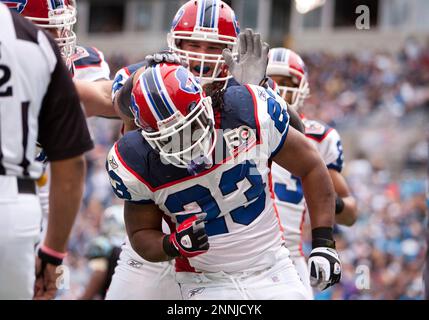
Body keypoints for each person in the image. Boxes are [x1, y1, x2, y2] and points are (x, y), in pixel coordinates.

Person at [106, 62, 341, 299]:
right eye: (169, 138)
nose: (184, 142)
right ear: (146, 135)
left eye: (190, 128)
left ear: (204, 103)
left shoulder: (246, 110)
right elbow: (141, 232)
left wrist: (323, 243)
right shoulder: (137, 158)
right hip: (204, 281)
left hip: (272, 269)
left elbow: (310, 166)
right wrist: (173, 244)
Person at [0, 3, 93, 299]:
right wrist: (53, 255)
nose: (56, 34)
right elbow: (72, 165)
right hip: (13, 204)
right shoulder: (36, 44)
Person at [267, 47, 358, 296]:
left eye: (288, 82)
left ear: (303, 88)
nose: (280, 89)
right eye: (272, 80)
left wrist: (325, 197)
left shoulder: (318, 137)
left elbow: (350, 213)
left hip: (287, 258)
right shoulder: (236, 126)